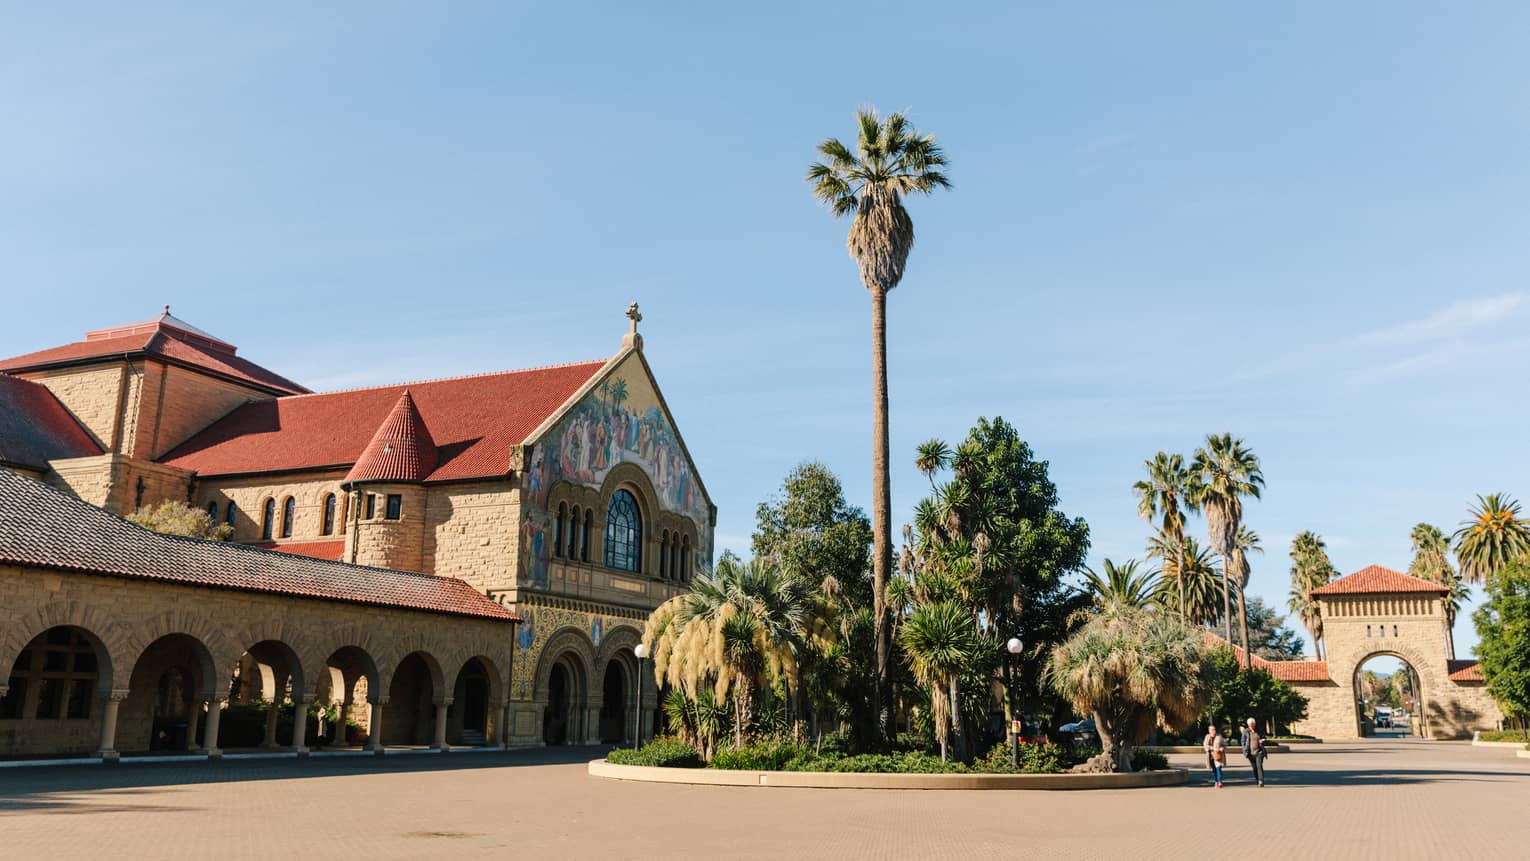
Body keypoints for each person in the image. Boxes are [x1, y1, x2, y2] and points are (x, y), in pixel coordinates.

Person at [1241, 717, 1267, 787]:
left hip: (1259, 752)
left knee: (1259, 766)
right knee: (1254, 768)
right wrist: (1244, 749)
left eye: (1253, 724)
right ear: (1248, 725)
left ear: (1255, 724)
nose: (1252, 726)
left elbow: (1264, 737)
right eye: (1250, 725)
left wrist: (1263, 740)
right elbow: (1243, 741)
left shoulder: (1259, 730)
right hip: (1250, 753)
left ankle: (1261, 780)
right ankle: (1257, 780)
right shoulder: (1246, 731)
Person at [1203, 723, 1227, 788]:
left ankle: (1220, 782)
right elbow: (1205, 745)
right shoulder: (1207, 736)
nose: (1214, 731)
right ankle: (1216, 781)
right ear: (1209, 730)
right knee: (1214, 770)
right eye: (1212, 730)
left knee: (1218, 768)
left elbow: (1224, 745)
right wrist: (1211, 748)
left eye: (1214, 729)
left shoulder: (1219, 736)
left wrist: (1222, 748)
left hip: (1218, 755)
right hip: (1210, 756)